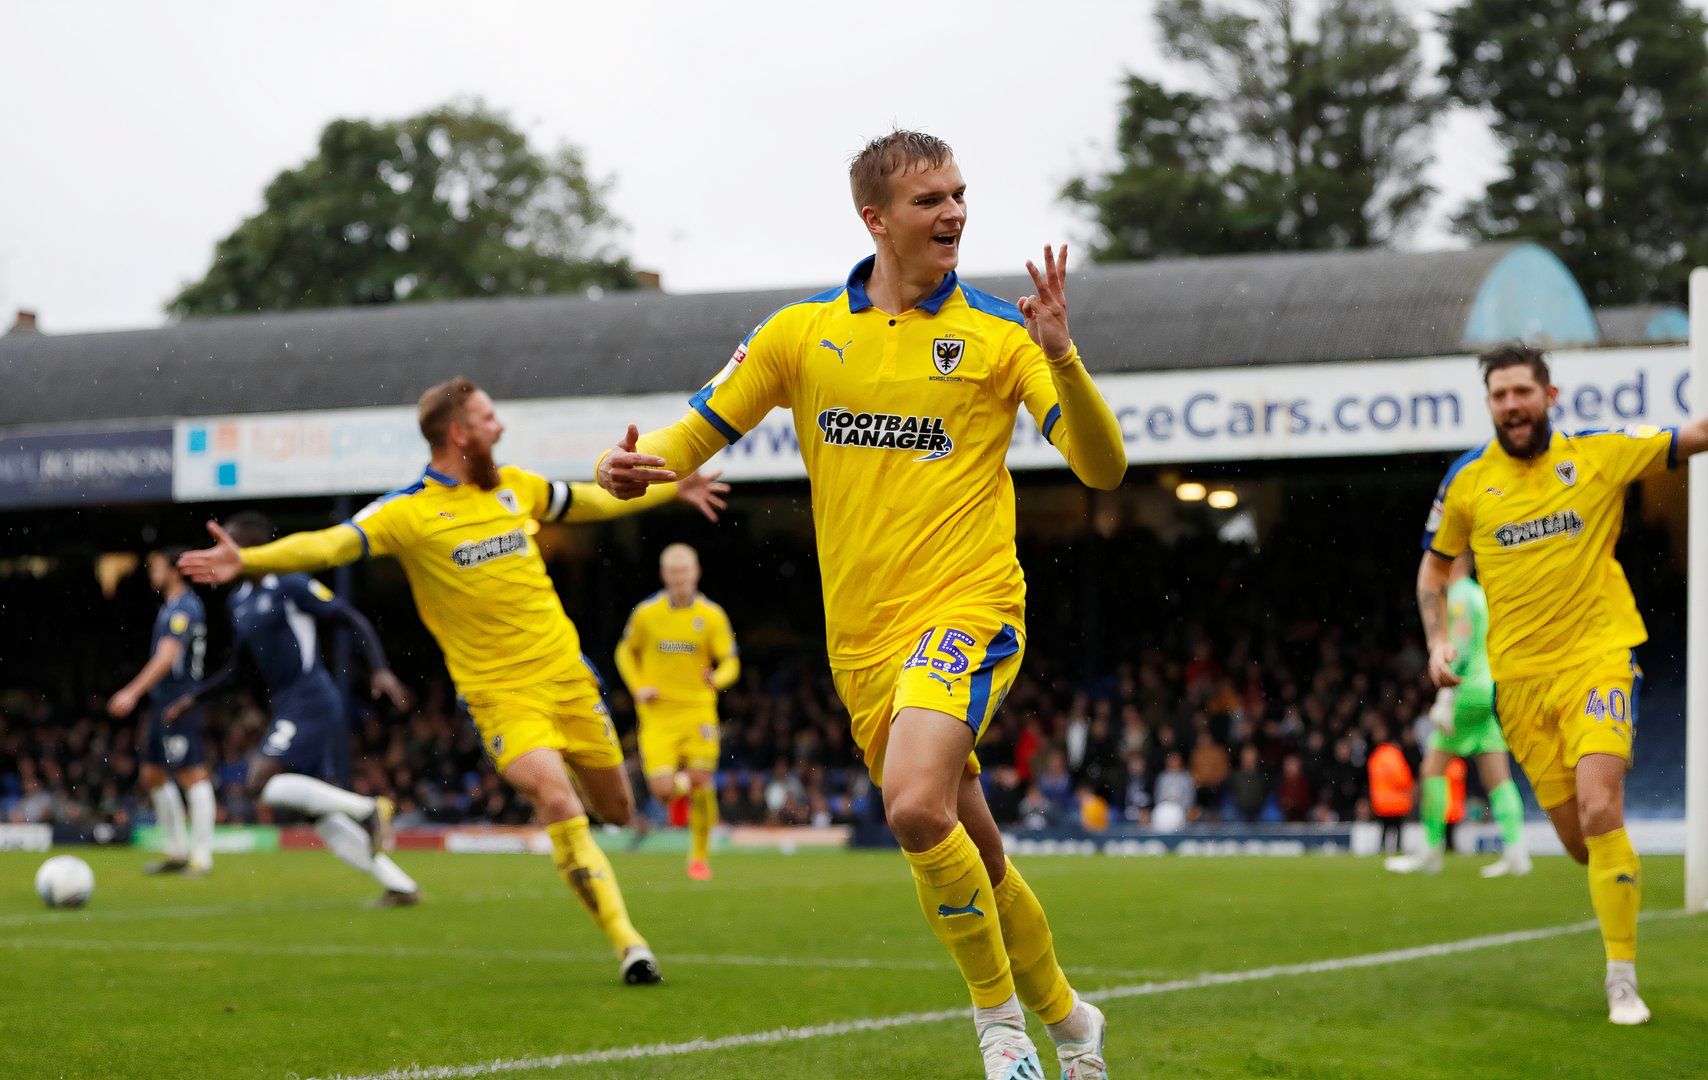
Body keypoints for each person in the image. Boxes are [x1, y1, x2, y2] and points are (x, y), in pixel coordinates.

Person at [597, 130, 1125, 1080]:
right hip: (861, 642)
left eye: (959, 194)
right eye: (931, 200)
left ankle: (999, 1025)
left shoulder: (1003, 335)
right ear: (875, 219)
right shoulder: (800, 334)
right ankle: (1071, 1018)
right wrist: (629, 467)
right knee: (973, 849)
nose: (954, 212)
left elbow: (1101, 466)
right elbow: (694, 430)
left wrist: (1066, 357)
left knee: (914, 806)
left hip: (969, 607)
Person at [180, 377, 728, 985]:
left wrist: (675, 488)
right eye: (489, 418)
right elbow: (331, 544)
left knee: (619, 813)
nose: (501, 427)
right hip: (500, 697)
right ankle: (631, 945)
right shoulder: (407, 512)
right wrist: (249, 559)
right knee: (555, 798)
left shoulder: (515, 486)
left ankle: (592, 825)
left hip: (568, 679)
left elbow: (589, 501)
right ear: (460, 432)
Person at [1416, 333, 1708, 1025]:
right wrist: (1436, 640)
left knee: (1601, 805)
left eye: (1522, 391)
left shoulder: (1598, 454)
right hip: (1519, 685)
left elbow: (1702, 434)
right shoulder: (1466, 481)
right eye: (1499, 394)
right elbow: (1433, 567)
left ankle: (1622, 980)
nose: (1511, 404)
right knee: (1581, 844)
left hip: (1598, 657)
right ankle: (1615, 872)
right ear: (1489, 403)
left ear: (1549, 394)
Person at [167, 510, 422, 904]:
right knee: (317, 816)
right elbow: (236, 670)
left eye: (225, 544)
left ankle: (368, 808)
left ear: (250, 548)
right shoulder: (239, 601)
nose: (219, 552)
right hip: (287, 704)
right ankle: (400, 886)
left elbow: (348, 617)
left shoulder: (291, 583)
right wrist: (193, 699)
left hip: (312, 698)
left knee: (259, 783)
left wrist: (380, 669)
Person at [1388, 554, 1531, 878]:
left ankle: (1431, 850)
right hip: (1485, 687)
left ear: (1456, 562)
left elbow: (1462, 646)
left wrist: (1448, 693)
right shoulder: (1479, 594)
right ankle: (1517, 853)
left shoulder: (1460, 596)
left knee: (1432, 769)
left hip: (1464, 690)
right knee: (1498, 777)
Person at [615, 543, 738, 881]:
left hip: (698, 711)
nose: (680, 578)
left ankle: (698, 857)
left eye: (685, 572)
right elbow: (624, 652)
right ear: (664, 575)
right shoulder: (646, 614)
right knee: (662, 791)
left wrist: (718, 679)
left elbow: (731, 661)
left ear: (696, 573)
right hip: (658, 715)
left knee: (702, 780)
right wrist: (638, 686)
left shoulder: (711, 616)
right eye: (674, 572)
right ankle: (681, 796)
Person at [108, 548, 214, 876]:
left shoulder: (183, 607)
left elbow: (167, 657)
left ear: (175, 571)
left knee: (191, 774)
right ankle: (177, 850)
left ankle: (202, 857)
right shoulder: (172, 606)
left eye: (156, 566)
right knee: (152, 774)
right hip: (163, 702)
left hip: (178, 702)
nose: (151, 572)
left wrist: (132, 691)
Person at [1367, 735, 1415, 854]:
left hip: (1380, 801)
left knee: (1384, 827)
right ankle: (1398, 848)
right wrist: (1410, 786)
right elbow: (1402, 779)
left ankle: (1382, 848)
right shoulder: (1395, 756)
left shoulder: (1376, 756)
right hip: (1396, 801)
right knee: (1398, 828)